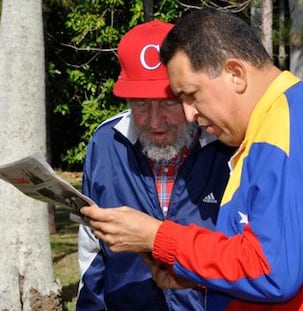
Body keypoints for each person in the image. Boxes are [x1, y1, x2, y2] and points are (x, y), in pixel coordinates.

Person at [80, 8, 303, 311]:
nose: (189, 113)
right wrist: (196, 275)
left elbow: (271, 270)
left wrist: (158, 237)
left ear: (235, 74)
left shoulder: (290, 127)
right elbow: (266, 256)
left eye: (190, 95)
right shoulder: (281, 121)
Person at [75, 19, 234, 311]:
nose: (154, 120)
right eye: (140, 104)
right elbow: (92, 248)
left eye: (168, 103)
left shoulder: (226, 145)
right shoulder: (106, 144)